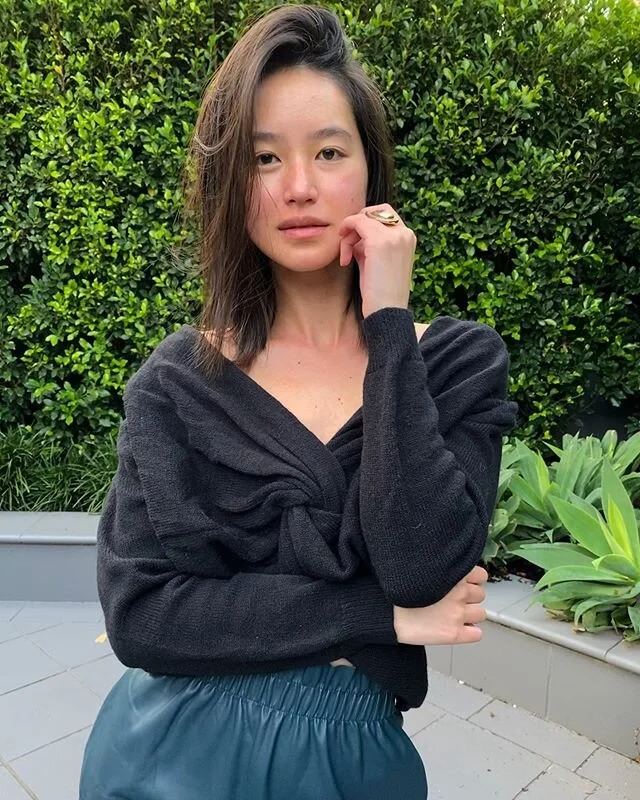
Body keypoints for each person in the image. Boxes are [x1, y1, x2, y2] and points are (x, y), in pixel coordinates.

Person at [79, 4, 518, 798]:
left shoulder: (456, 364)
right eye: (264, 158)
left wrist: (389, 324)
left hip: (352, 762)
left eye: (328, 151)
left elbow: (419, 565)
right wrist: (374, 619)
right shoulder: (179, 382)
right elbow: (142, 616)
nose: (301, 187)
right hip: (166, 755)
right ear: (232, 183)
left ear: (370, 169)